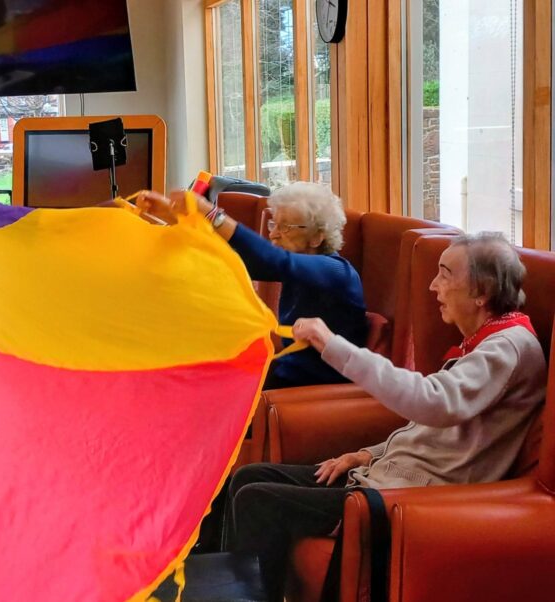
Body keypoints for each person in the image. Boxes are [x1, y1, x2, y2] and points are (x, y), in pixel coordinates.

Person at [224, 232, 545, 601]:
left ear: (481, 292)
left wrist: (331, 344)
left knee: (257, 499)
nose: (433, 285)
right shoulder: (487, 340)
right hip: (386, 472)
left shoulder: (509, 347)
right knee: (249, 477)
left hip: (414, 495)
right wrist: (368, 454)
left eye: (445, 274)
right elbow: (432, 426)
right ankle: (217, 586)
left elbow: (432, 403)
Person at [136, 182, 367, 389]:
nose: (274, 234)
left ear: (317, 237)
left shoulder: (336, 271)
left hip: (316, 386)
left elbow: (273, 260)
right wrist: (174, 217)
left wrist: (210, 213)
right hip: (287, 373)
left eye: (286, 227)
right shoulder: (300, 267)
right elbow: (231, 258)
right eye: (274, 224)